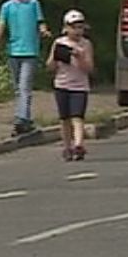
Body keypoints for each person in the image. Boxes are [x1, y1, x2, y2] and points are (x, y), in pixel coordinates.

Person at [0, 0, 51, 136]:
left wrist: (44, 31)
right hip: (14, 51)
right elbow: (1, 26)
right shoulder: (7, 7)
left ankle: (21, 118)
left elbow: (40, 22)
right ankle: (26, 120)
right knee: (18, 88)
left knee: (25, 86)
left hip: (30, 51)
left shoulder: (33, 3)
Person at [48, 9, 94, 161]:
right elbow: (50, 66)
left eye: (80, 27)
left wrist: (79, 57)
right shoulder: (59, 43)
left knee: (77, 116)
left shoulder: (86, 45)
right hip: (62, 84)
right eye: (74, 27)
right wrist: (57, 58)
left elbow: (89, 68)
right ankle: (67, 146)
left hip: (79, 86)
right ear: (66, 28)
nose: (77, 31)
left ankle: (79, 145)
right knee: (64, 118)